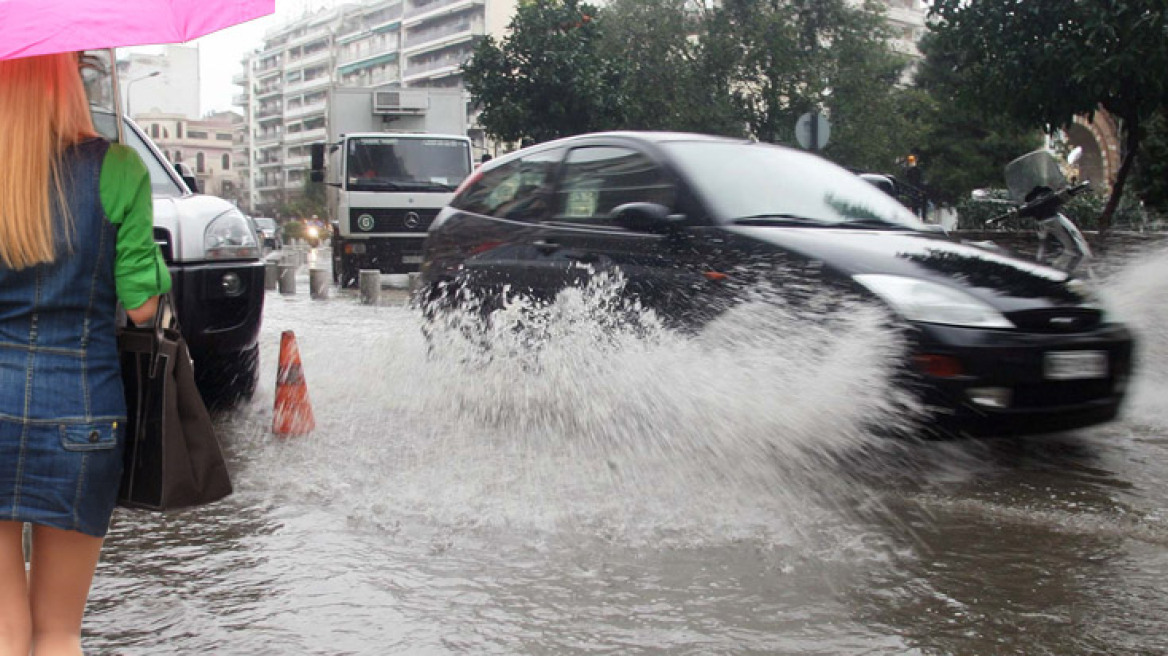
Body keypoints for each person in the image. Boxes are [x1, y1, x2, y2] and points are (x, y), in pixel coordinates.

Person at [0, 53, 171, 655]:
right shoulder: (119, 166)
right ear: (67, 80)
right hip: (82, 411)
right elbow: (144, 308)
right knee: (59, 631)